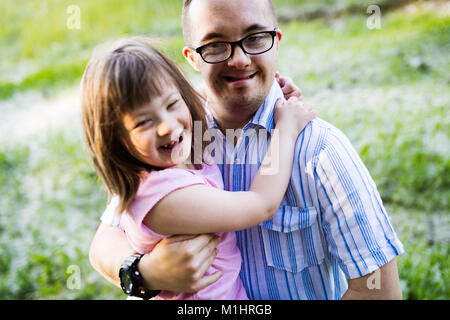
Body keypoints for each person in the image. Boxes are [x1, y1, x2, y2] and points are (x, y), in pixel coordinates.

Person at [90, 0, 405, 300]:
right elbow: (104, 242)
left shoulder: (320, 152)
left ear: (276, 41)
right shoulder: (173, 150)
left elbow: (378, 291)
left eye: (255, 38)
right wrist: (145, 273)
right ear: (192, 58)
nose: (239, 60)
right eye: (215, 44)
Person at [81, 37, 316, 299]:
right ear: (116, 142)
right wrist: (287, 129)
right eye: (144, 122)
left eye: (171, 104)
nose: (167, 125)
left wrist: (270, 88)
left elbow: (199, 93)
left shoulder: (174, 154)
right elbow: (261, 204)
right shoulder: (164, 196)